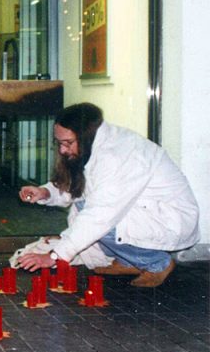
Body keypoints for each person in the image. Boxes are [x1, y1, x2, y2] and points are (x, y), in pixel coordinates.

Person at [16, 103, 199, 287]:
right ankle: (130, 262)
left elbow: (100, 216)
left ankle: (158, 264)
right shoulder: (96, 144)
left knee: (96, 220)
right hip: (143, 211)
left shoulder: (117, 155)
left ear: (85, 135)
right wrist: (46, 192)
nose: (63, 150)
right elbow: (80, 188)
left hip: (169, 218)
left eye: (68, 143)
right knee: (85, 208)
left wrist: (54, 256)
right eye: (60, 143)